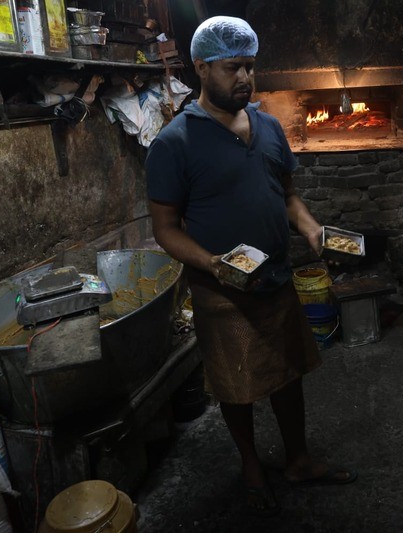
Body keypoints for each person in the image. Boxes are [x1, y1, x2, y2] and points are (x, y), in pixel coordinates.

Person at [144, 16, 356, 517]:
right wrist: (212, 264)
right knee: (236, 384)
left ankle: (298, 459)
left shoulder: (267, 126)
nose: (245, 77)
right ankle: (252, 465)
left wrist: (310, 228)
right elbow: (166, 229)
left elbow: (287, 195)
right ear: (201, 68)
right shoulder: (174, 143)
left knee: (287, 374)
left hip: (276, 279)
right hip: (222, 290)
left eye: (250, 67)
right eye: (232, 67)